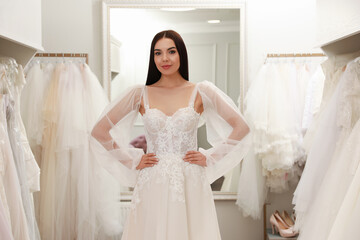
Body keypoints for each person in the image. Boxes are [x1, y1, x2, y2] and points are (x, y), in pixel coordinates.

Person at [91, 30, 251, 240]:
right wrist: (133, 161)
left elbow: (241, 127)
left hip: (190, 179)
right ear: (153, 58)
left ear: (181, 55)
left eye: (171, 51)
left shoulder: (201, 91)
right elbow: (99, 132)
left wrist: (210, 157)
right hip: (152, 180)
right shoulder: (140, 93)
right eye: (158, 53)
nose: (164, 58)